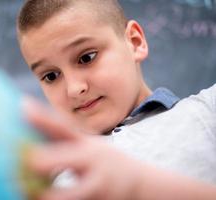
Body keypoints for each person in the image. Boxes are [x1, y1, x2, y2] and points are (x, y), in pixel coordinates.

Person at [16, 0, 216, 199]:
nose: (74, 89)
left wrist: (138, 186)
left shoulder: (208, 111)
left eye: (87, 57)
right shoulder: (48, 176)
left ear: (135, 42)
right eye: (51, 76)